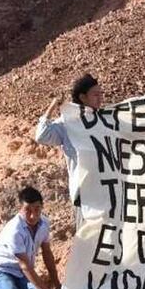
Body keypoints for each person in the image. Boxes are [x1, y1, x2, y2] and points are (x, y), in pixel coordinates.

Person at [35, 73, 104, 206]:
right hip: (84, 196)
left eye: (101, 94)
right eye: (96, 95)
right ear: (83, 97)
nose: (100, 99)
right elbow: (42, 136)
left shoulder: (104, 121)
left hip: (106, 191)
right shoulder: (67, 124)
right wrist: (53, 106)